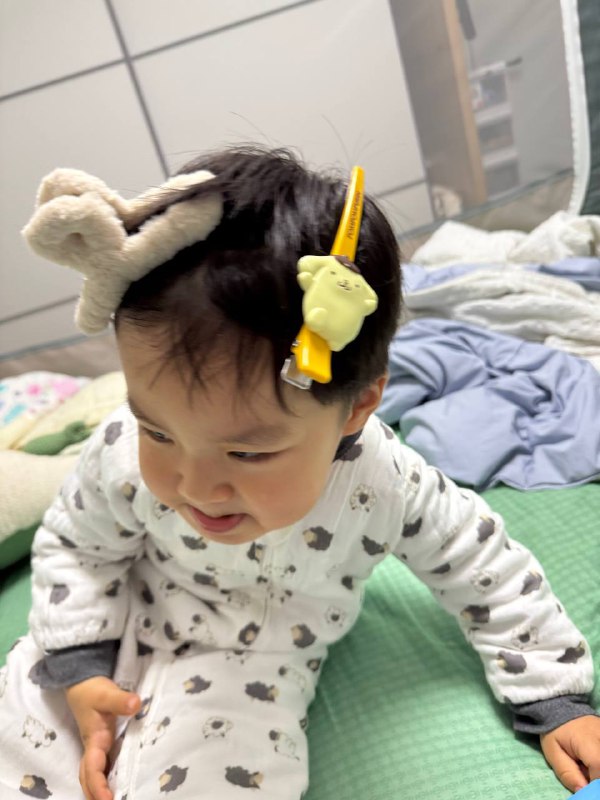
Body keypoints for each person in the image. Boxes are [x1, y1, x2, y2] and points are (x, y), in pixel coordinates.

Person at [1, 146, 598, 800]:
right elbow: (76, 544)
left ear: (358, 405)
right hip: (108, 627)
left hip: (249, 673)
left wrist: (554, 699)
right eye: (160, 432)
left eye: (247, 454)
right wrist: (78, 662)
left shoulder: (385, 484)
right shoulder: (120, 448)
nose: (194, 487)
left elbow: (487, 567)